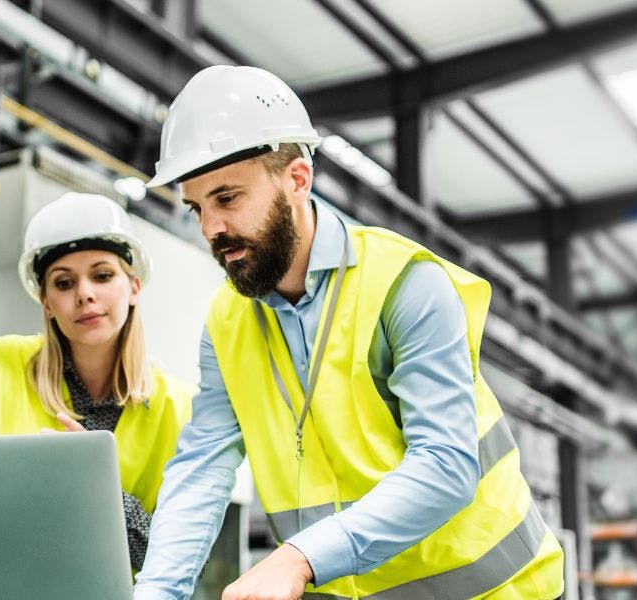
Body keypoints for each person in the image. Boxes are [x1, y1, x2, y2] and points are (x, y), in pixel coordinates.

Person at [133, 66, 565, 600]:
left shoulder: (405, 284)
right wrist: (155, 592)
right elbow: (201, 468)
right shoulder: (227, 323)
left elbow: (448, 464)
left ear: (296, 179)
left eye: (227, 199)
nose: (210, 229)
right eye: (197, 207)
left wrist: (299, 557)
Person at [0, 192, 193, 572]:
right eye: (64, 283)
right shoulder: (0, 366)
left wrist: (96, 484)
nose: (85, 294)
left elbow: (174, 556)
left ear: (133, 287)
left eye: (102, 275)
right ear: (46, 302)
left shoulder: (179, 406)